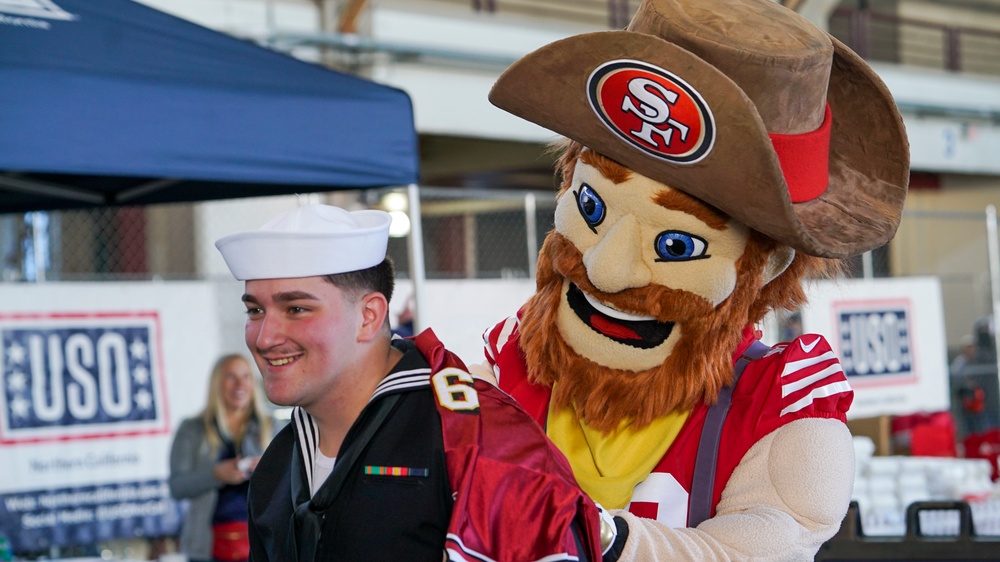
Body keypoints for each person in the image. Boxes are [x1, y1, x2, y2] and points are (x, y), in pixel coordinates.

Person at [476, 0, 910, 559]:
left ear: (766, 266)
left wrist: (602, 538)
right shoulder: (510, 366)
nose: (608, 268)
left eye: (677, 245)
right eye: (590, 205)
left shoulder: (773, 412)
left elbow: (762, 543)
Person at [213, 204, 600, 562]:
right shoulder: (278, 462)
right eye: (255, 310)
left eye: (296, 309)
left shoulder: (477, 436)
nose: (264, 337)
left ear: (369, 316)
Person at [169, 354, 273, 562]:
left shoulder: (271, 427)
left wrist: (269, 471)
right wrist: (216, 474)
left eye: (246, 376)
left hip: (263, 541)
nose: (240, 384)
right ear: (217, 383)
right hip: (208, 547)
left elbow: (292, 485)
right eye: (231, 377)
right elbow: (177, 487)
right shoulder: (192, 430)